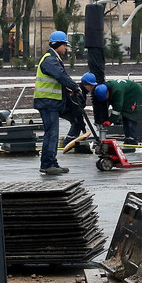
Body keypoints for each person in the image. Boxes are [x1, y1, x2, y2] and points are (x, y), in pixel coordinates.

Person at [33, 31, 80, 175]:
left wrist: (66, 88)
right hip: (47, 102)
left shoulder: (53, 58)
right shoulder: (50, 59)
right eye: (65, 45)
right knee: (51, 133)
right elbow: (60, 75)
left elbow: (56, 79)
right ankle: (47, 164)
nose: (66, 48)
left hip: (49, 102)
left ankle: (52, 162)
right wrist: (74, 86)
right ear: (58, 44)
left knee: (52, 133)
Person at [87, 73, 142, 143]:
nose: (106, 98)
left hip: (138, 95)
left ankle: (132, 139)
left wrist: (111, 120)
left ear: (107, 92)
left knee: (130, 115)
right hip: (129, 95)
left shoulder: (117, 91)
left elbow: (117, 108)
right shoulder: (107, 87)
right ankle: (128, 138)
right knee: (125, 116)